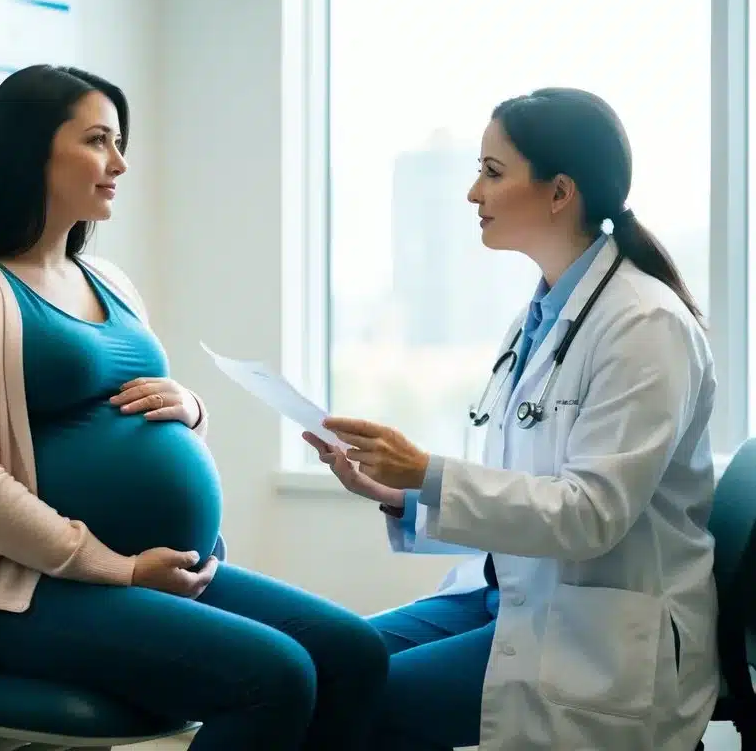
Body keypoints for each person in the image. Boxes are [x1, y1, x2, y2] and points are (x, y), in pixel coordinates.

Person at [0, 63, 388, 750]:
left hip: (151, 570)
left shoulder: (107, 279)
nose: (119, 164)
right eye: (98, 141)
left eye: (119, 142)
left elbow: (134, 414)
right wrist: (118, 568)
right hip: (20, 592)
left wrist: (189, 408)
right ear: (32, 150)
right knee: (273, 677)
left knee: (354, 655)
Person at [305, 87, 718, 751]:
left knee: (344, 701)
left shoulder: (644, 327)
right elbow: (525, 494)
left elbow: (589, 515)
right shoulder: (543, 316)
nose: (473, 193)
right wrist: (406, 495)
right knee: (314, 665)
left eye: (492, 173)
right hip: (510, 599)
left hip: (597, 634)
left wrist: (429, 471)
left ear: (559, 193)